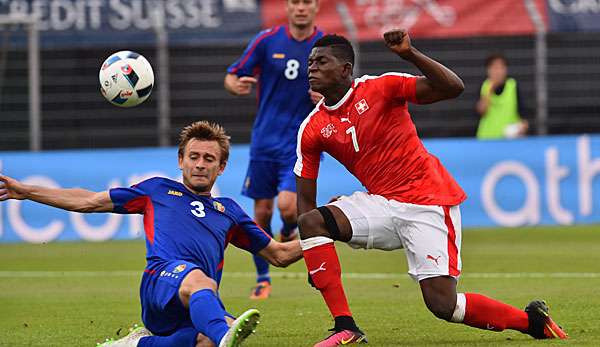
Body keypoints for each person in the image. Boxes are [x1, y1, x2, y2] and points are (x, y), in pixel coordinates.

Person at [295, 32, 568, 346]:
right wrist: (313, 254)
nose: (311, 68)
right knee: (312, 221)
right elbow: (304, 196)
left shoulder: (381, 87)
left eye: (321, 61)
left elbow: (452, 87)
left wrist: (410, 53)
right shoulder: (312, 128)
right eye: (310, 62)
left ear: (345, 69)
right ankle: (346, 327)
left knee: (443, 305)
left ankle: (531, 322)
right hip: (382, 203)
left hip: (429, 201)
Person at [0, 121, 303, 347]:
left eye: (209, 159)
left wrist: (329, 228)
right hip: (160, 282)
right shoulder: (156, 190)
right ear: (180, 161)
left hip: (194, 299)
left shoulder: (229, 211)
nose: (199, 164)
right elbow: (89, 201)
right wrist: (25, 191)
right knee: (216, 312)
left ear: (221, 167)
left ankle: (138, 344)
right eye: (193, 156)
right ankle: (225, 332)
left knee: (204, 340)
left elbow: (279, 254)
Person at [224, 0, 324, 299]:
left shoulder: (326, 45)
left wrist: (327, 96)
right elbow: (232, 75)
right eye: (295, 2)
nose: (301, 8)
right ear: (288, 7)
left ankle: (290, 228)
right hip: (264, 142)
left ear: (316, 6)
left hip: (299, 142)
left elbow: (344, 90)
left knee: (287, 206)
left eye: (307, 2)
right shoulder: (268, 40)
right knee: (263, 213)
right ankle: (263, 277)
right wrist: (235, 86)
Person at [476, 53, 529, 139]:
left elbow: (523, 114)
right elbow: (481, 112)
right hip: (487, 139)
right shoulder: (484, 86)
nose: (498, 72)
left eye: (501, 67)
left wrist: (523, 127)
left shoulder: (513, 86)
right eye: (495, 68)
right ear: (488, 70)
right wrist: (489, 91)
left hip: (509, 141)